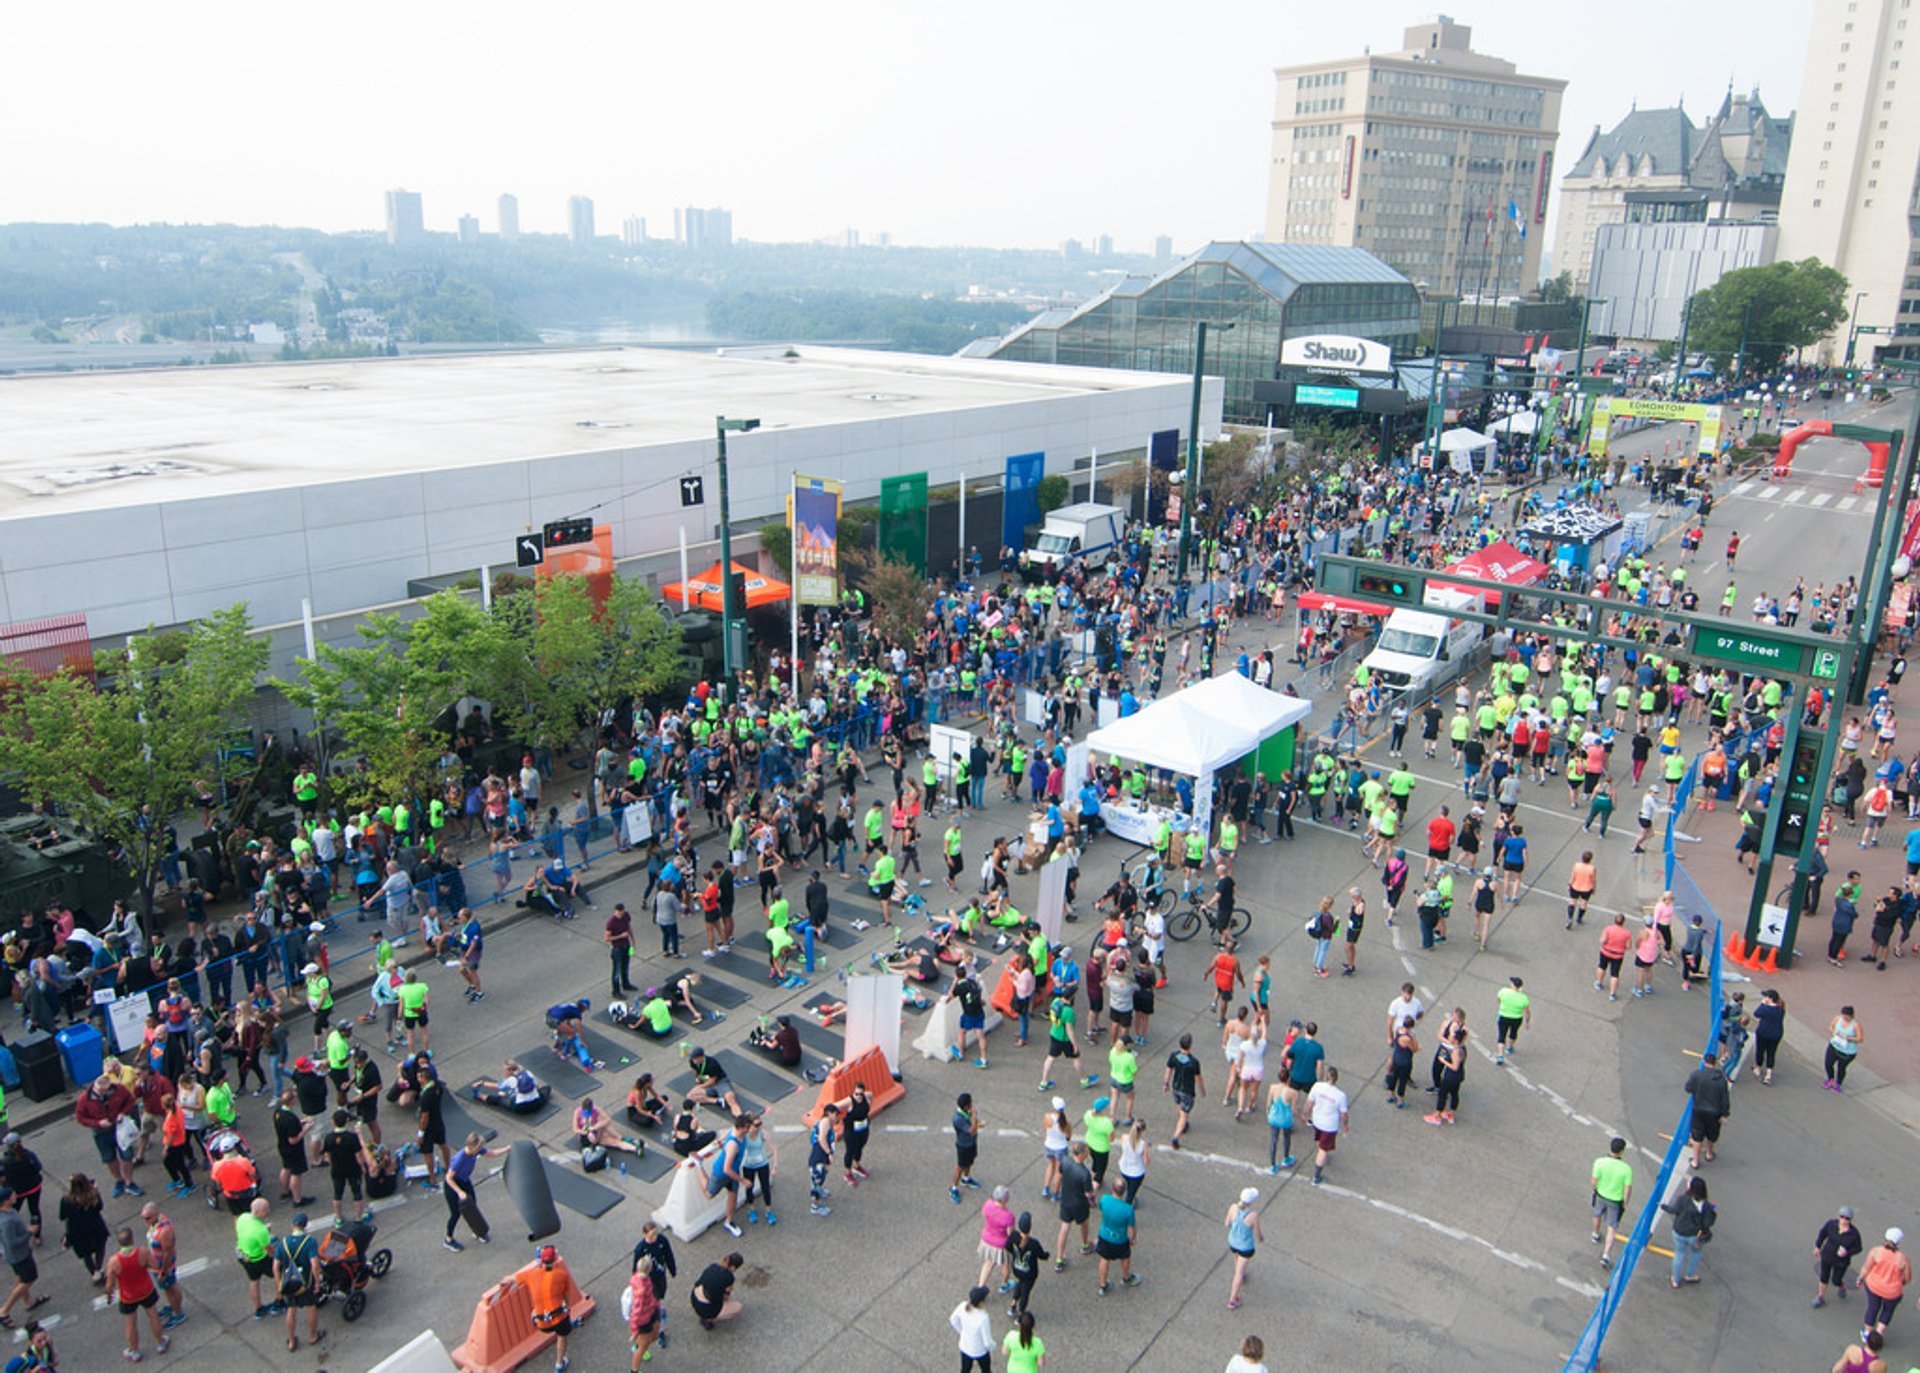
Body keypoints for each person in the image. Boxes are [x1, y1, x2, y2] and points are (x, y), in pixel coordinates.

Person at [103, 1224, 170, 1362]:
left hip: (128, 1296)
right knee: (153, 1316)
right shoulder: (143, 1252)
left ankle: (134, 1351)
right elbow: (155, 1266)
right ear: (132, 1239)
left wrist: (109, 1295)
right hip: (146, 1290)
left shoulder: (114, 1261)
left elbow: (109, 1284)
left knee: (130, 1324)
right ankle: (160, 1343)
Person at [443, 1132, 507, 1250]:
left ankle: (478, 1231)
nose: (481, 1149)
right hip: (453, 1185)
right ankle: (448, 1239)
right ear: (473, 1147)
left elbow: (492, 1153)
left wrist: (507, 1148)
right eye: (479, 1147)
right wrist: (459, 1192)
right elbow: (448, 1178)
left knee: (472, 1206)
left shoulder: (476, 1151)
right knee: (455, 1213)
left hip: (464, 1181)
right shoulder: (460, 1158)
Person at [271, 1210, 324, 1352]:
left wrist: (278, 1286)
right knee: (311, 1307)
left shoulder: (283, 1243)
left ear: (292, 1225)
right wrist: (317, 1282)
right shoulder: (310, 1242)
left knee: (291, 1310)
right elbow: (314, 1265)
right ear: (305, 1226)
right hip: (305, 1282)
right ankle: (313, 1336)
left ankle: (291, 1341)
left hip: (289, 1282)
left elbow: (275, 1267)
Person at [524, 1244, 577, 1371]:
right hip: (559, 1318)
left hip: (541, 1323)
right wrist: (568, 1310)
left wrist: (502, 1281)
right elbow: (566, 1298)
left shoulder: (531, 1275)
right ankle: (559, 1363)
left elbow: (512, 1279)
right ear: (555, 1259)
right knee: (562, 1336)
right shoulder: (562, 1275)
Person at [1859, 1228, 1911, 1345]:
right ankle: (1879, 1332)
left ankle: (1867, 1333)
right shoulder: (1903, 1259)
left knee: (1872, 1307)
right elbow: (1907, 1278)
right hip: (1892, 1292)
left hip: (1874, 1286)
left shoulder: (1876, 1252)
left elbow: (1866, 1268)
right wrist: (1900, 1282)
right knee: (1888, 1311)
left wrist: (1860, 1278)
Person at [1662, 1174, 1716, 1289]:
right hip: (1695, 1235)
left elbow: (1674, 1210)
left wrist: (1663, 1206)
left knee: (1679, 1254)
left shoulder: (1682, 1199)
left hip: (1679, 1232)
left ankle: (1675, 1280)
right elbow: (1708, 1222)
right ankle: (1689, 1275)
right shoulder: (1706, 1205)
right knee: (1696, 1253)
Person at [56, 1172, 108, 1287]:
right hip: (95, 1227)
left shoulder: (66, 1201)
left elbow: (62, 1216)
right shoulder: (93, 1196)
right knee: (100, 1247)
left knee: (86, 1254)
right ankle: (99, 1268)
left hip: (77, 1231)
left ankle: (94, 1272)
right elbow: (100, 1207)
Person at [1590, 1137, 1633, 1270]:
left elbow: (1593, 1180)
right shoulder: (1626, 1169)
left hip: (1601, 1194)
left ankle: (1595, 1234)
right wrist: (1625, 1202)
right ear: (1622, 1151)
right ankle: (1606, 1255)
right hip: (1615, 1200)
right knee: (1612, 1227)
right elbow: (1627, 1189)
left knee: (1597, 1215)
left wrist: (1595, 1189)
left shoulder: (1600, 1162)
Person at [0, 1190, 40, 1329]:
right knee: (29, 1278)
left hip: (15, 1255)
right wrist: (29, 1233)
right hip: (19, 1255)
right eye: (12, 1194)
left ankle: (28, 1300)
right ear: (5, 1200)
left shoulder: (9, 1212)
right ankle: (4, 1310)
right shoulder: (7, 1221)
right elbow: (12, 1242)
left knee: (19, 1276)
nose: (15, 1195)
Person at [1684, 1052, 1732, 1168]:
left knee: (1697, 1135)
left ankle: (1695, 1161)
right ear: (1715, 1064)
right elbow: (1725, 1099)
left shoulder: (1697, 1075)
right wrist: (1725, 1114)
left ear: (1705, 1062)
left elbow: (1688, 1088)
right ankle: (1709, 1153)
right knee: (1712, 1134)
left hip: (1699, 1110)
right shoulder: (1721, 1080)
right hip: (1714, 1112)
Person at [1093, 1174, 1138, 1295]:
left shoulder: (1104, 1199)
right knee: (1125, 1258)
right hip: (1120, 1240)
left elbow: (1101, 1208)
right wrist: (1133, 1239)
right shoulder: (1128, 1210)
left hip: (1104, 1235)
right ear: (1124, 1192)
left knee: (1104, 1259)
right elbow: (1132, 1228)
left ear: (1112, 1189)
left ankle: (1103, 1285)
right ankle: (1126, 1278)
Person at [234, 1195, 276, 1320]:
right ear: (258, 1212)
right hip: (259, 1258)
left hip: (244, 1256)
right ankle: (279, 1302)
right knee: (279, 1275)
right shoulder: (261, 1230)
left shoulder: (243, 1217)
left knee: (254, 1281)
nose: (268, 1210)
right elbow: (268, 1249)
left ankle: (259, 1308)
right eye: (266, 1209)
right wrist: (276, 1258)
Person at [1305, 1066, 1348, 1187]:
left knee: (1319, 1140)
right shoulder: (1340, 1095)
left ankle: (1321, 1155)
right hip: (1329, 1125)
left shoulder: (1317, 1086)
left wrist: (1306, 1115)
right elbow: (1344, 1114)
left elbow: (1309, 1103)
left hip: (1317, 1120)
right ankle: (1316, 1176)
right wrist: (1345, 1125)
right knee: (1324, 1149)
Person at [1814, 1205, 1864, 1308]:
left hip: (1841, 1262)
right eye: (1842, 1217)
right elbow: (1822, 1234)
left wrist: (1847, 1252)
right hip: (1827, 1256)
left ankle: (1841, 1287)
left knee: (1836, 1280)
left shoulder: (1854, 1234)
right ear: (1838, 1216)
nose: (1844, 1220)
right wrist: (1818, 1246)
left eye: (1847, 1218)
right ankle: (1820, 1297)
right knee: (1824, 1277)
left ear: (1851, 1220)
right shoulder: (1831, 1225)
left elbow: (1858, 1248)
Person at [1224, 1185, 1263, 1310]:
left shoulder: (1233, 1207)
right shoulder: (1252, 1216)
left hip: (1233, 1241)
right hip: (1245, 1247)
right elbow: (1258, 1234)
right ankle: (1232, 1300)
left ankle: (1241, 1271)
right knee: (1238, 1275)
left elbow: (1227, 1224)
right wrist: (1261, 1238)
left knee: (1237, 1257)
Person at [1163, 1034, 1204, 1152]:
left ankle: (1183, 1124)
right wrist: (1202, 1089)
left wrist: (1165, 1083)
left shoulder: (1174, 1056)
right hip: (1187, 1090)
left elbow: (1168, 1069)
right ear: (1190, 1045)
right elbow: (1198, 1078)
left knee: (1179, 1106)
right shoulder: (1193, 1062)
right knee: (1185, 1113)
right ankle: (1176, 1136)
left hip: (1176, 1086)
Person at [689, 1250, 744, 1330]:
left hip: (694, 1298)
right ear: (733, 1267)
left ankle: (705, 1315)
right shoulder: (729, 1277)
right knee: (738, 1307)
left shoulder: (713, 1266)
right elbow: (725, 1297)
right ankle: (709, 1319)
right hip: (706, 1308)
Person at [627, 1254, 663, 1370]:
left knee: (649, 1339)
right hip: (644, 1320)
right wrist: (635, 1331)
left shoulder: (638, 1279)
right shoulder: (642, 1289)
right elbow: (636, 1312)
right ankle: (634, 1370)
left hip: (649, 1314)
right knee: (643, 1346)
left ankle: (639, 1346)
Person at [474, 1060, 550, 1114]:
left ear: (509, 1070)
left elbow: (496, 1086)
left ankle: (479, 1095)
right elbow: (536, 1087)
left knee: (499, 1100)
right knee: (547, 1088)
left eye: (504, 1070)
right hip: (537, 1103)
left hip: (521, 1108)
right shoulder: (528, 1073)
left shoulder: (511, 1080)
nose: (503, 1072)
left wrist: (482, 1083)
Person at [573, 1098, 642, 1155]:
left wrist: (596, 1127)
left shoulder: (595, 1109)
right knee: (614, 1142)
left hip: (596, 1131)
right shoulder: (577, 1112)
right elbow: (575, 1129)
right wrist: (587, 1132)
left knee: (604, 1123)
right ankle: (631, 1145)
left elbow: (608, 1119)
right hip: (587, 1137)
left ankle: (628, 1143)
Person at [951, 1284, 994, 1373]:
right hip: (980, 1351)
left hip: (965, 1346)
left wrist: (962, 1332)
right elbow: (987, 1342)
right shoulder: (983, 1318)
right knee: (986, 1370)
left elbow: (953, 1320)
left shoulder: (963, 1306)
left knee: (965, 1369)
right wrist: (993, 1346)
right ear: (981, 1302)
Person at [686, 1048, 742, 1116]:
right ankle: (718, 1101)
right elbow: (695, 1071)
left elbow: (712, 1080)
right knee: (690, 1096)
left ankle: (740, 1117)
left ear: (701, 1057)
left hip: (720, 1082)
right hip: (707, 1084)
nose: (694, 1061)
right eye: (693, 1058)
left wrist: (699, 1086)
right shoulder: (692, 1062)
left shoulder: (712, 1063)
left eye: (696, 1058)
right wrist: (698, 1078)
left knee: (730, 1099)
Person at [950, 1092, 982, 1204]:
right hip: (964, 1145)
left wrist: (976, 1122)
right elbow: (972, 1131)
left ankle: (966, 1178)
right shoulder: (958, 1118)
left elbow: (974, 1125)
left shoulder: (966, 1112)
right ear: (965, 1106)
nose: (972, 1105)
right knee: (960, 1166)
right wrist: (974, 1116)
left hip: (971, 1143)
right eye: (970, 1104)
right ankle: (954, 1188)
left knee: (969, 1162)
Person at [1825, 1005, 1864, 1091]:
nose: (1844, 1018)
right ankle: (1830, 1079)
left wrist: (1848, 1038)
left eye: (1847, 1016)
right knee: (1828, 1064)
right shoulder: (1838, 1018)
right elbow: (1831, 1026)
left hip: (1847, 1051)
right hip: (1834, 1045)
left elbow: (1860, 1039)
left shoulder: (1855, 1025)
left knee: (1841, 1068)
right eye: (1843, 1015)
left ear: (1851, 1016)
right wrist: (1834, 1032)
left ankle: (1838, 1084)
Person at [1752, 988, 1786, 1085]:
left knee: (1760, 1050)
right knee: (1771, 1052)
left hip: (1764, 1033)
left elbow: (1756, 1014)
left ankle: (1758, 1067)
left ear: (1769, 998)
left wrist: (1763, 1003)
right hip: (1776, 1034)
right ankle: (1769, 1074)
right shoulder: (1780, 1010)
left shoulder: (1765, 1009)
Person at [1494, 976, 1530, 1064]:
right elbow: (1527, 1012)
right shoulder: (1523, 998)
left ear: (1512, 985)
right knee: (1513, 1032)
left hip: (1503, 1016)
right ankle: (1510, 1047)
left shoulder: (1503, 991)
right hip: (1516, 1018)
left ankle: (1500, 1055)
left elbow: (1498, 1000)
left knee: (1501, 1035)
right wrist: (1527, 1022)